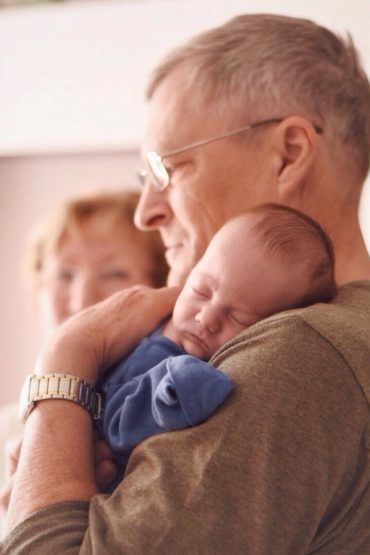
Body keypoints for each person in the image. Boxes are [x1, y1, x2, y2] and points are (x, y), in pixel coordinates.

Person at [1, 13, 370, 554]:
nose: (146, 213)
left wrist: (61, 364)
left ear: (288, 153)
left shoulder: (297, 355)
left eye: (167, 168)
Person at [98, 203, 336, 484]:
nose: (208, 318)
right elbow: (115, 427)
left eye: (240, 317)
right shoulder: (153, 338)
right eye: (201, 290)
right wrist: (177, 383)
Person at [0, 190, 167, 513]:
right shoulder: (7, 428)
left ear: (159, 285)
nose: (82, 299)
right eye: (65, 275)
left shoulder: (169, 412)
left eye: (114, 274)